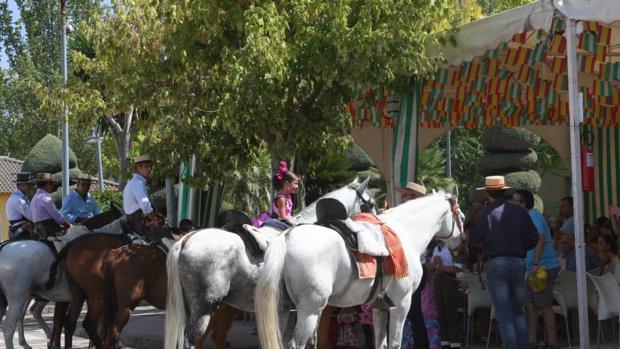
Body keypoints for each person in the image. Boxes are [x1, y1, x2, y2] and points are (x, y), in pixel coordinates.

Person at [470, 176, 539, 349]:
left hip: (496, 263)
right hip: (518, 261)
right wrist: (518, 247)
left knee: (504, 314)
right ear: (504, 191)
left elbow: (474, 238)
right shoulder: (519, 211)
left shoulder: (486, 212)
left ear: (487, 193)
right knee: (518, 312)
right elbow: (534, 238)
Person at [512, 189, 560, 349]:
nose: (513, 203)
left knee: (544, 304)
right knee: (530, 305)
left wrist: (536, 263)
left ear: (524, 203)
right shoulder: (525, 218)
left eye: (516, 201)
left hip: (542, 267)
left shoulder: (534, 217)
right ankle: (532, 341)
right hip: (532, 268)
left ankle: (552, 341)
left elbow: (540, 240)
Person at [397, 182, 430, 349]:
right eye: (404, 195)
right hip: (402, 268)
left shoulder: (421, 218)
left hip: (416, 268)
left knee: (414, 311)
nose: (404, 198)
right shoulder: (403, 215)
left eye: (408, 195)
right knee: (407, 312)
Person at [431, 241, 462, 349]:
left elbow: (458, 267)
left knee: (450, 312)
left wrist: (441, 267)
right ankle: (445, 342)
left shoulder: (452, 247)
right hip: (438, 280)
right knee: (441, 312)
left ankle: (455, 343)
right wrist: (433, 265)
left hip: (449, 279)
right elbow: (432, 266)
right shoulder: (435, 248)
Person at [123, 155, 157, 233]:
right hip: (138, 223)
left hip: (135, 221)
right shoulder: (138, 184)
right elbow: (146, 207)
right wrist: (155, 220)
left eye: (150, 166)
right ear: (138, 167)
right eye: (147, 166)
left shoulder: (133, 183)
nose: (150, 169)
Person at [30, 173, 70, 239]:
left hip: (37, 232)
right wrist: (67, 223)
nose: (53, 186)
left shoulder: (34, 199)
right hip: (49, 231)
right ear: (47, 184)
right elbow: (58, 217)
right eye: (52, 184)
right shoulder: (45, 199)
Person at [5, 172, 35, 239]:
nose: (31, 186)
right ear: (19, 185)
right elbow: (32, 217)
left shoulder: (22, 197)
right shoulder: (18, 200)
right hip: (21, 231)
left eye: (31, 184)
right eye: (28, 184)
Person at [271, 160, 299, 225]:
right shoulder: (281, 199)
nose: (297, 186)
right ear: (287, 184)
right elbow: (282, 218)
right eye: (295, 183)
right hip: (282, 225)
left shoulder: (287, 197)